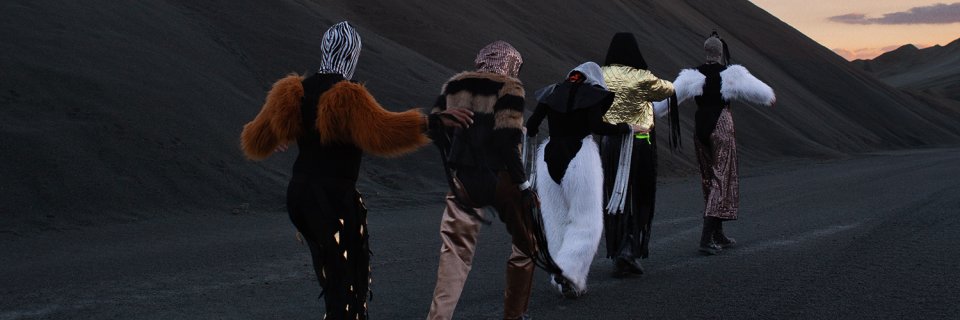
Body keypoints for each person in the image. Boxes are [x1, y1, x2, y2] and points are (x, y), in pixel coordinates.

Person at [240, 21, 473, 320]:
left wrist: (275, 137)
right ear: (353, 55)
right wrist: (432, 122)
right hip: (333, 199)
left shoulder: (292, 92)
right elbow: (383, 131)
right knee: (347, 284)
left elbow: (254, 139)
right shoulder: (348, 96)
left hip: (300, 197)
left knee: (335, 277)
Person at [426, 40, 543, 320]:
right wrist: (525, 185)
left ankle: (438, 317)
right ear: (513, 64)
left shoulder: (455, 86)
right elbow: (507, 140)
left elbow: (434, 126)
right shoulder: (509, 88)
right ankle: (514, 314)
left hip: (464, 179)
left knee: (454, 253)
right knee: (526, 244)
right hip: (502, 179)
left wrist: (453, 147)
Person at [654, 31, 775, 255]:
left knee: (708, 178)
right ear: (720, 52)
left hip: (700, 127)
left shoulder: (692, 76)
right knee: (722, 177)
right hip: (721, 125)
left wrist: (649, 113)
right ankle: (706, 237)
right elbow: (762, 94)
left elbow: (665, 102)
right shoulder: (732, 74)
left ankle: (717, 233)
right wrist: (770, 97)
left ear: (706, 51)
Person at [526, 62, 639, 298]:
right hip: (580, 157)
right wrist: (627, 128)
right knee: (587, 223)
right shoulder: (593, 94)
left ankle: (568, 279)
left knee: (556, 222)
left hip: (548, 159)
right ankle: (568, 272)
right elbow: (597, 126)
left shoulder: (552, 92)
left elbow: (532, 126)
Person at [599, 32, 675, 275]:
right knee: (638, 195)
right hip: (640, 143)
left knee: (614, 196)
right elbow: (668, 90)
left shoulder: (600, 75)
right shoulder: (643, 77)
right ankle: (629, 250)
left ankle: (618, 249)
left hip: (609, 143)